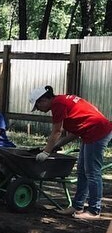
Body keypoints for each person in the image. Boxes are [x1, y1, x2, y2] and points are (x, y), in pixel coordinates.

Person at [29, 86, 112, 220]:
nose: (39, 110)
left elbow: (57, 131)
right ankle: (77, 206)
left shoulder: (58, 104)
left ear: (43, 100)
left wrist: (46, 152)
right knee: (82, 171)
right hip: (91, 132)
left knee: (92, 172)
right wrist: (57, 145)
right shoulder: (62, 101)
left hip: (98, 132)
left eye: (38, 106)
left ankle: (94, 211)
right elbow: (75, 131)